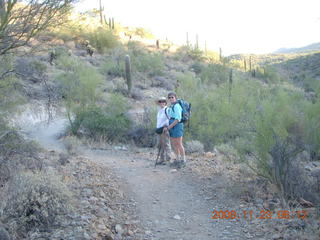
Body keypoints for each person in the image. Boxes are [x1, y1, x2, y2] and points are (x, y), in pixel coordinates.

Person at [164, 92, 186, 168]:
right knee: (174, 143)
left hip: (177, 126)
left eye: (172, 97)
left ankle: (183, 160)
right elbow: (169, 117)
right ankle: (178, 159)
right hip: (172, 125)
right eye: (169, 98)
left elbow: (177, 119)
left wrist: (169, 127)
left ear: (175, 98)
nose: (171, 99)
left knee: (179, 143)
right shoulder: (171, 106)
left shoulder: (176, 106)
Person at [155, 97, 172, 165]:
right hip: (159, 130)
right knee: (159, 145)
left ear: (165, 103)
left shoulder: (167, 110)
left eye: (163, 102)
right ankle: (162, 159)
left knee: (166, 144)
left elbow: (170, 118)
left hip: (164, 129)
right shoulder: (160, 111)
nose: (162, 103)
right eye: (160, 102)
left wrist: (166, 126)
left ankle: (168, 159)